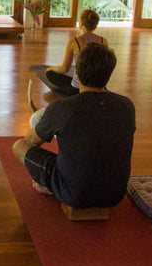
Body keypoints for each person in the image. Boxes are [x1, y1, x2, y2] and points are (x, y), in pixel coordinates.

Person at [13, 42, 136, 209]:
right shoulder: (127, 105)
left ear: (76, 72)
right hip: (115, 195)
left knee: (19, 146)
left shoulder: (63, 107)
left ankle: (53, 188)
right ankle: (59, 185)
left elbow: (31, 141)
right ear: (109, 73)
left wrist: (45, 123)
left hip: (75, 195)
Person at [45, 9, 108, 98]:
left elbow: (64, 69)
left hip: (77, 89)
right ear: (95, 25)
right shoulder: (103, 41)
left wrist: (50, 68)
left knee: (50, 74)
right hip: (99, 87)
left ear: (81, 23)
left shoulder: (74, 42)